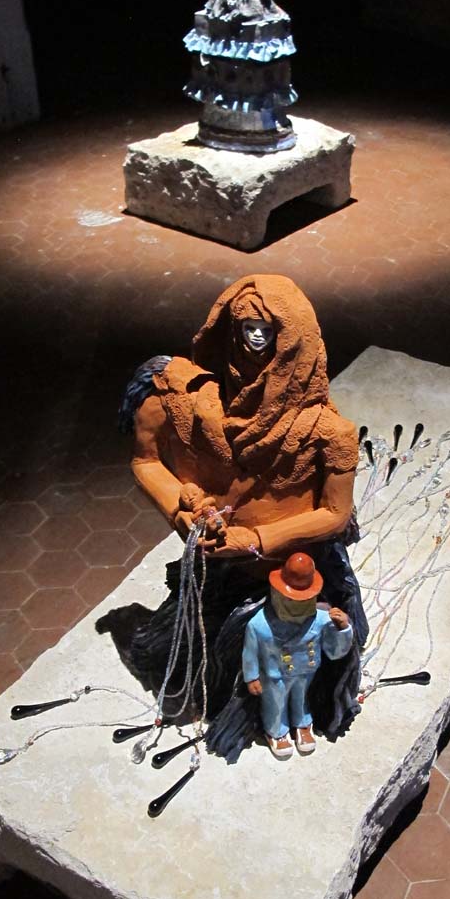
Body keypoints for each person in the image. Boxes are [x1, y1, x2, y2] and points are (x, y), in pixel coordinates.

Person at [97, 274, 367, 760]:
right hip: (218, 565)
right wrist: (182, 511)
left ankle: (291, 714)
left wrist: (256, 540)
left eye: (269, 330)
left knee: (307, 654)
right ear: (228, 328)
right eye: (246, 327)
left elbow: (334, 512)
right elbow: (145, 461)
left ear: (295, 340)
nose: (256, 339)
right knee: (201, 650)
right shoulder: (187, 400)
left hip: (292, 570)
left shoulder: (330, 433)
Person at [243, 553, 353, 759]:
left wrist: (343, 628)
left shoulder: (321, 619)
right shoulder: (259, 624)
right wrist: (252, 676)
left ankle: (302, 724)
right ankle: (276, 731)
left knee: (301, 698)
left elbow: (334, 652)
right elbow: (250, 651)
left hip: (306, 670)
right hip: (275, 675)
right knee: (275, 703)